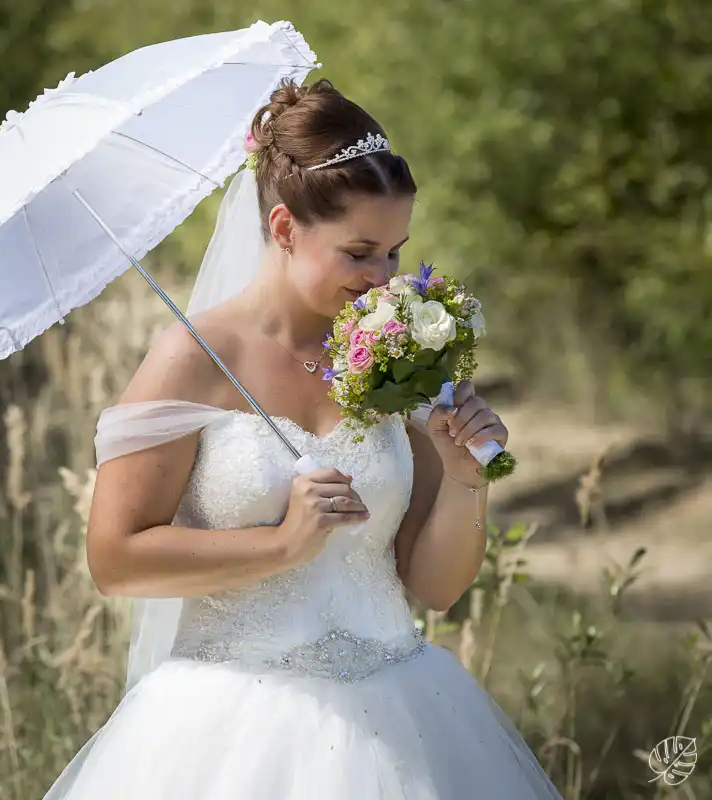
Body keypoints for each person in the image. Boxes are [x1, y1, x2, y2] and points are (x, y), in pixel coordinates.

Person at [42, 78, 563, 799]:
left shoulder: (394, 350)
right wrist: (281, 543)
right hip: (232, 732)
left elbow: (435, 588)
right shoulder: (192, 359)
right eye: (360, 252)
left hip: (406, 717)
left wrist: (462, 474)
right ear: (285, 229)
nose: (383, 278)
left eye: (394, 252)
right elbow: (115, 560)